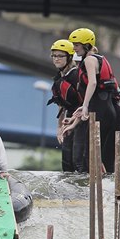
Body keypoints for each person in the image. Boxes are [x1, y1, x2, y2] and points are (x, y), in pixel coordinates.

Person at [67, 27, 120, 173]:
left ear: (86, 45)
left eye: (77, 45)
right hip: (107, 110)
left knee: (90, 157)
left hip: (100, 112)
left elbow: (92, 82)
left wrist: (85, 105)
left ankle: (94, 191)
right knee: (102, 158)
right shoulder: (100, 58)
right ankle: (107, 189)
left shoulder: (89, 59)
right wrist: (76, 119)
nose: (74, 48)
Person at [46, 39, 84, 172]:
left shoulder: (75, 75)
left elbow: (84, 102)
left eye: (60, 56)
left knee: (77, 161)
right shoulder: (60, 77)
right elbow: (61, 104)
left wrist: (74, 122)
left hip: (81, 119)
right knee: (66, 161)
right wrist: (59, 126)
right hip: (69, 119)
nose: (56, 59)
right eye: (54, 56)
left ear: (69, 57)